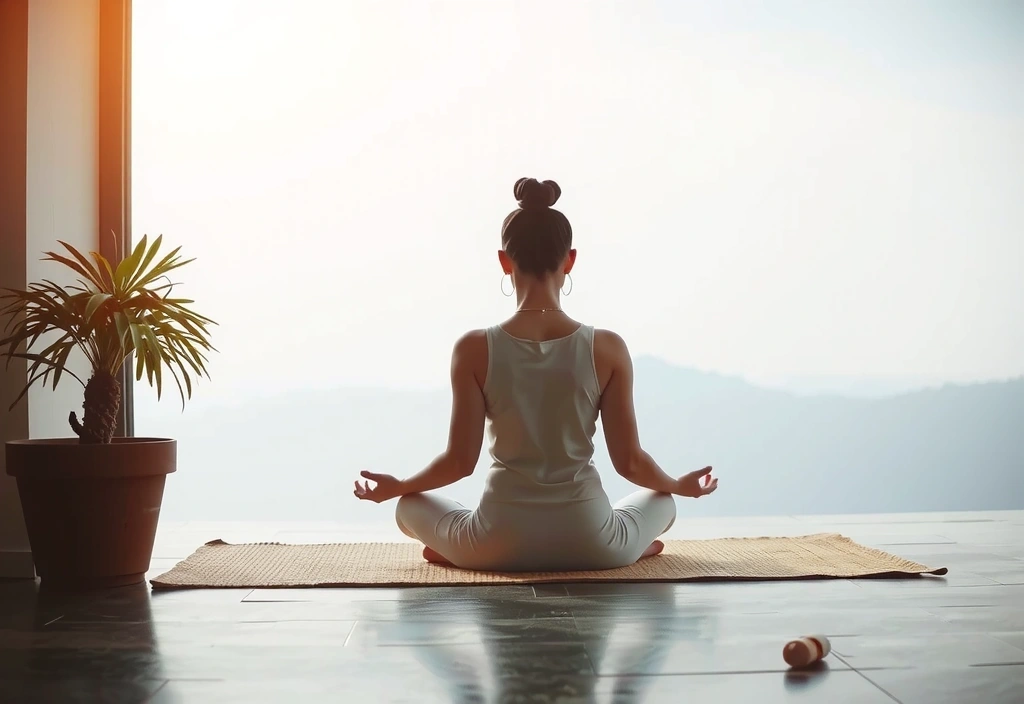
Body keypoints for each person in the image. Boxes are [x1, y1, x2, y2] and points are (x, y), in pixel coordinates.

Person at [353, 177, 718, 572]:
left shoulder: (474, 349)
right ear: (570, 259)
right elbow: (629, 462)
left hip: (496, 542)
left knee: (409, 507)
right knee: (662, 501)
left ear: (504, 261)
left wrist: (399, 487)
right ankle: (627, 549)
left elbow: (459, 462)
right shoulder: (608, 347)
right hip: (593, 543)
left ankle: (463, 553)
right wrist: (678, 485)